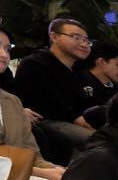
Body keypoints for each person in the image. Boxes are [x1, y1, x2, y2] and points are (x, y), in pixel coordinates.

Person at [13, 18, 96, 162]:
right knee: (99, 141)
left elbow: (88, 104)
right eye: (76, 37)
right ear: (54, 37)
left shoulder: (80, 69)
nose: (83, 44)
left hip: (73, 121)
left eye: (86, 40)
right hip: (44, 122)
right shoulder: (34, 64)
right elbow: (54, 104)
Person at [0, 25, 63, 180]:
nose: (4, 54)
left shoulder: (12, 101)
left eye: (7, 48)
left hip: (21, 178)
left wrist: (56, 170)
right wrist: (37, 173)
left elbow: (33, 156)